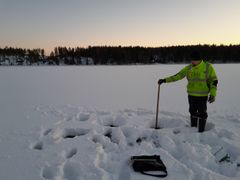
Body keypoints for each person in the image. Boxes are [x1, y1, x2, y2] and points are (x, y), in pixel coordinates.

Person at [158, 51, 218, 132]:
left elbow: (214, 81)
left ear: (199, 60)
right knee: (192, 112)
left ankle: (201, 131)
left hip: (202, 96)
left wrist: (213, 94)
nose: (192, 61)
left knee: (202, 113)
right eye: (191, 60)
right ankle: (193, 129)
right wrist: (165, 80)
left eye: (194, 60)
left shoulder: (208, 67)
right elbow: (178, 76)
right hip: (191, 95)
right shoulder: (188, 68)